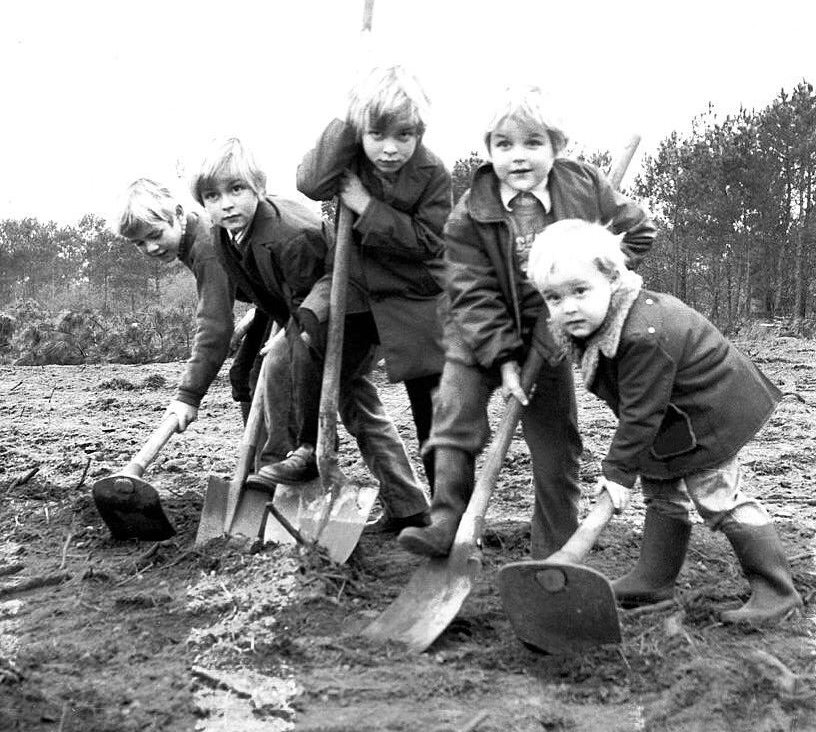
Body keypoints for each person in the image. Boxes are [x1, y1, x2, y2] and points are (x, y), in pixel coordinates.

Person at [398, 85, 657, 559]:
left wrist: (594, 268)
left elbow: (638, 229)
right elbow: (470, 292)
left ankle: (552, 551)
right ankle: (445, 519)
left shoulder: (584, 186)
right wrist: (502, 359)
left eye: (533, 143)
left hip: (550, 333)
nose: (518, 157)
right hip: (477, 333)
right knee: (453, 417)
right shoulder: (470, 214)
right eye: (504, 144)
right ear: (489, 148)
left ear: (557, 146)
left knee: (556, 446)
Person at [525, 219, 803, 625]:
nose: (567, 307)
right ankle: (653, 581)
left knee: (718, 495)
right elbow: (640, 409)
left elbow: (641, 413)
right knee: (661, 487)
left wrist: (616, 475)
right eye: (553, 297)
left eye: (580, 291)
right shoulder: (599, 322)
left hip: (710, 411)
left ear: (612, 278)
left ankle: (778, 593)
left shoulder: (642, 334)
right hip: (670, 415)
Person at [189, 138, 429, 528]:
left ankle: (298, 458)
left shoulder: (289, 235)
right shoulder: (225, 236)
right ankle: (410, 506)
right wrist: (273, 320)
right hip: (312, 315)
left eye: (236, 190)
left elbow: (324, 284)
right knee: (355, 402)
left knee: (282, 364)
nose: (226, 204)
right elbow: (270, 290)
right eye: (213, 196)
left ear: (259, 189)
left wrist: (296, 325)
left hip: (353, 316)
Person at [295, 65, 452, 530]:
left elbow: (430, 241)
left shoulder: (433, 173)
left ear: (419, 132)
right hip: (358, 292)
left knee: (432, 409)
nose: (390, 148)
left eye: (404, 135)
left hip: (416, 297)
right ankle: (306, 451)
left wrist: (368, 206)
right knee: (304, 348)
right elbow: (309, 181)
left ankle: (445, 518)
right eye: (376, 133)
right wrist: (347, 118)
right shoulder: (348, 159)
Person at [115, 178, 293, 456]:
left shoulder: (205, 246)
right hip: (274, 301)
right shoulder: (192, 240)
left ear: (176, 214)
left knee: (265, 378)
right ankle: (259, 467)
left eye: (155, 234)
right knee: (244, 373)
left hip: (301, 300)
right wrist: (252, 316)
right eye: (139, 243)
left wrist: (188, 396)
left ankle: (280, 465)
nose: (151, 248)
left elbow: (215, 327)